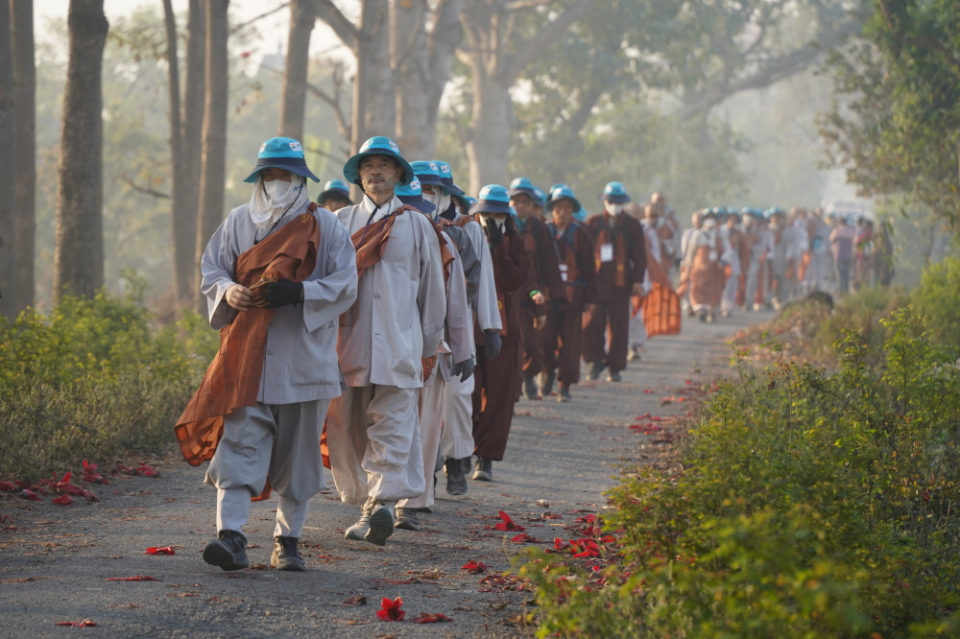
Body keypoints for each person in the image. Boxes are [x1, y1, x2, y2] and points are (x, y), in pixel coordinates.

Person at [175, 137, 358, 572]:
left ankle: (287, 542)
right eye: (270, 175)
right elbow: (212, 270)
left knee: (299, 458)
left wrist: (301, 292)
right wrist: (228, 290)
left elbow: (346, 284)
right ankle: (231, 537)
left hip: (306, 360)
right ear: (258, 179)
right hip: (247, 358)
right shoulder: (238, 221)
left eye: (286, 175)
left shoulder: (326, 226)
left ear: (301, 180)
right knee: (238, 447)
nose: (277, 183)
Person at [326, 136, 447, 547]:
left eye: (384, 165)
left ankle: (380, 505)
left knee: (393, 425)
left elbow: (432, 290)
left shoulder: (416, 225)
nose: (376, 171)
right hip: (348, 346)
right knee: (352, 428)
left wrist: (428, 346)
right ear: (358, 175)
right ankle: (369, 500)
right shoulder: (339, 223)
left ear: (399, 174)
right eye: (368, 165)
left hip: (400, 344)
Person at [392, 176, 474, 530]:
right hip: (383, 347)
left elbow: (456, 302)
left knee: (425, 428)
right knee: (384, 424)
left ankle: (413, 500)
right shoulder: (369, 234)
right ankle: (379, 496)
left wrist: (463, 350)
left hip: (430, 348)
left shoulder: (444, 241)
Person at [416, 160, 502, 495]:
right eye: (421, 188)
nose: (426, 195)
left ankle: (455, 461)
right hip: (414, 327)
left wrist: (490, 327)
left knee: (456, 398)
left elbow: (484, 281)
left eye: (432, 189)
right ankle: (423, 474)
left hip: (457, 327)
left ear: (445, 192)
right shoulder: (408, 222)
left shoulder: (467, 229)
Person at [462, 185, 531, 481]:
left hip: (505, 330)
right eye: (486, 214)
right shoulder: (463, 237)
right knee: (467, 395)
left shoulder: (517, 243)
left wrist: (498, 247)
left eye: (497, 215)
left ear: (507, 217)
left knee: (499, 399)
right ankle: (461, 450)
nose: (491, 220)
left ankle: (486, 458)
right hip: (467, 328)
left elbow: (515, 280)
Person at [581, 182, 647, 382]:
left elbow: (640, 256)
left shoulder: (633, 225)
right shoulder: (592, 223)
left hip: (621, 284)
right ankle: (594, 362)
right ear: (605, 202)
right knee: (592, 325)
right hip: (595, 284)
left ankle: (615, 367)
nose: (614, 206)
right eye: (611, 202)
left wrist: (638, 281)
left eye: (618, 202)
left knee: (619, 328)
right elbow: (583, 253)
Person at [509, 177, 566, 400]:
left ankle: (529, 374)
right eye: (517, 201)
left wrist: (555, 292)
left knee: (534, 341)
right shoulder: (504, 223)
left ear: (532, 205)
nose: (521, 206)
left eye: (525, 202)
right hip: (509, 292)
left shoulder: (539, 227)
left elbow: (549, 262)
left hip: (533, 292)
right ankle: (515, 382)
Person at [542, 186, 597, 402]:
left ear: (573, 210)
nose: (563, 212)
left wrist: (591, 298)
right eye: (558, 207)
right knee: (545, 339)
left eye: (567, 207)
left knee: (571, 343)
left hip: (573, 296)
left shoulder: (581, 234)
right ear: (552, 209)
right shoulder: (543, 231)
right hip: (547, 296)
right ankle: (547, 373)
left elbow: (589, 268)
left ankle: (565, 385)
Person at [679, 211, 725, 322]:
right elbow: (691, 253)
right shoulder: (698, 235)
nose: (710, 221)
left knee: (714, 289)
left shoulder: (719, 235)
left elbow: (726, 250)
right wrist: (687, 265)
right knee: (698, 287)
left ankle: (711, 310)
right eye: (708, 218)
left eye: (712, 218)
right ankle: (700, 309)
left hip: (715, 268)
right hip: (699, 268)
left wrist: (724, 260)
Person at [768, 208, 801, 310]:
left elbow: (791, 245)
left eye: (777, 216)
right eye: (773, 216)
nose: (775, 218)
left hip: (782, 259)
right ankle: (768, 299)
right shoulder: (767, 229)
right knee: (769, 280)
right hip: (769, 260)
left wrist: (789, 255)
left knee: (781, 280)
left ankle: (779, 299)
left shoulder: (788, 230)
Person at [720, 211, 742, 317]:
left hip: (734, 262)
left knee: (732, 286)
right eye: (731, 219)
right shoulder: (721, 230)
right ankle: (719, 306)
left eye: (735, 219)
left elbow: (742, 249)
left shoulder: (738, 232)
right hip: (723, 261)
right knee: (722, 285)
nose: (733, 221)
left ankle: (728, 308)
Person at [830, 215, 855, 298]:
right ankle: (846, 290)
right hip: (848, 255)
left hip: (839, 255)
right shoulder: (850, 230)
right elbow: (853, 241)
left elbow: (831, 239)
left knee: (839, 274)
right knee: (846, 274)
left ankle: (840, 291)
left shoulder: (837, 230)